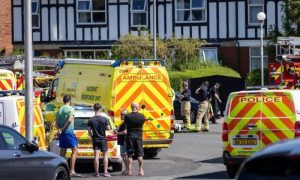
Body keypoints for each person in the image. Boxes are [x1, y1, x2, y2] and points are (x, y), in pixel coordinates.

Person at [55, 95, 81, 177]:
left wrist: (59, 129)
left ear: (63, 101)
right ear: (70, 101)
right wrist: (62, 129)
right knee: (75, 151)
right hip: (69, 132)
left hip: (62, 134)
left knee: (63, 151)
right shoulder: (71, 109)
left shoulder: (59, 110)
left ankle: (60, 170)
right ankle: (72, 171)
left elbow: (56, 123)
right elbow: (70, 120)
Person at [87, 103, 111, 177]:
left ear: (94, 109)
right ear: (100, 109)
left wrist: (92, 137)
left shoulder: (91, 119)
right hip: (103, 139)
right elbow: (108, 128)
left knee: (96, 156)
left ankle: (96, 172)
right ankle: (105, 172)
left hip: (95, 139)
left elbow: (89, 131)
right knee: (105, 155)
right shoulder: (104, 119)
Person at [124, 102, 145, 176]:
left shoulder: (127, 116)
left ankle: (129, 171)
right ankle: (140, 170)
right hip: (139, 137)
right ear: (137, 107)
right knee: (140, 154)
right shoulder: (142, 116)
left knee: (129, 154)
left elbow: (126, 126)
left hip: (130, 137)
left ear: (131, 107)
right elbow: (142, 126)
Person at [114, 109, 129, 175]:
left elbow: (125, 132)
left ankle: (127, 169)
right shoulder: (122, 122)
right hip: (122, 140)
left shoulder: (126, 122)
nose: (122, 116)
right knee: (123, 155)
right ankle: (127, 169)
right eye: (121, 114)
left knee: (125, 155)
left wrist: (117, 133)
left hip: (125, 140)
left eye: (124, 114)